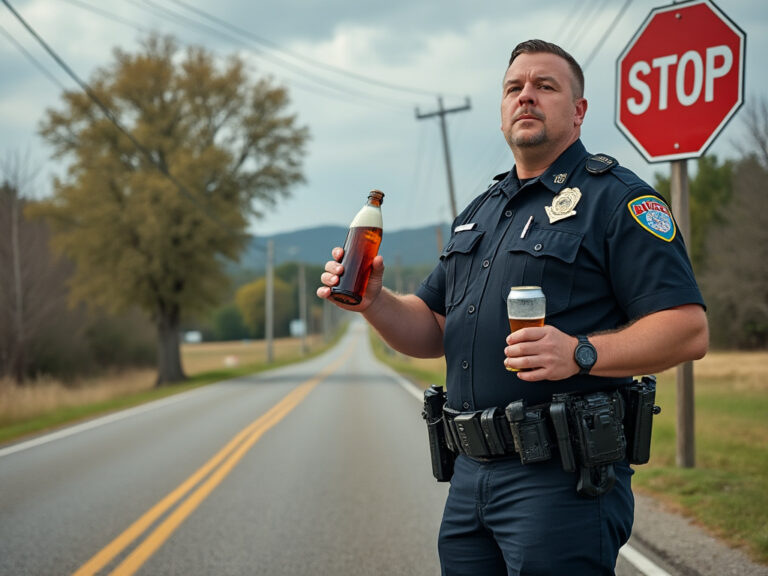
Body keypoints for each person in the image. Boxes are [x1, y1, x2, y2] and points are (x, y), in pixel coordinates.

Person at [317, 39, 708, 575]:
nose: (526, 96)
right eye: (513, 88)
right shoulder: (480, 213)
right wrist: (374, 302)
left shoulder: (616, 199)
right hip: (469, 478)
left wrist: (581, 352)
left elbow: (688, 329)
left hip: (561, 482)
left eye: (545, 86)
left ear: (578, 111)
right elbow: (432, 329)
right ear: (502, 111)